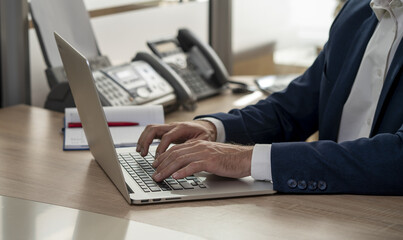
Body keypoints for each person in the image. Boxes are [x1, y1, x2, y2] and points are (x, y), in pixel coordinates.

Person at [136, 0, 403, 195]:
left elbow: (396, 157)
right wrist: (214, 129)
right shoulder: (356, 12)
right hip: (328, 212)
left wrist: (245, 159)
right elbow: (294, 107)